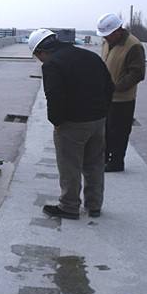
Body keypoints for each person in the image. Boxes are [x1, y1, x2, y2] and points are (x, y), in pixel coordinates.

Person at [29, 28, 114, 220]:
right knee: (94, 165)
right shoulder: (90, 56)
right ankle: (94, 205)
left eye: (37, 56)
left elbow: (54, 97)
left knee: (70, 166)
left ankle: (69, 206)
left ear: (42, 51)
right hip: (98, 120)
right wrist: (102, 112)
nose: (40, 60)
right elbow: (109, 86)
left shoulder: (52, 65)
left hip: (72, 124)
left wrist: (57, 122)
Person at [96, 13, 146, 172]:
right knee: (104, 130)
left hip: (123, 99)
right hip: (105, 96)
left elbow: (137, 73)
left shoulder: (133, 46)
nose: (106, 38)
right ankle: (103, 158)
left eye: (108, 35)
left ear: (118, 30)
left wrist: (115, 87)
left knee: (119, 131)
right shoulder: (107, 42)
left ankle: (116, 162)